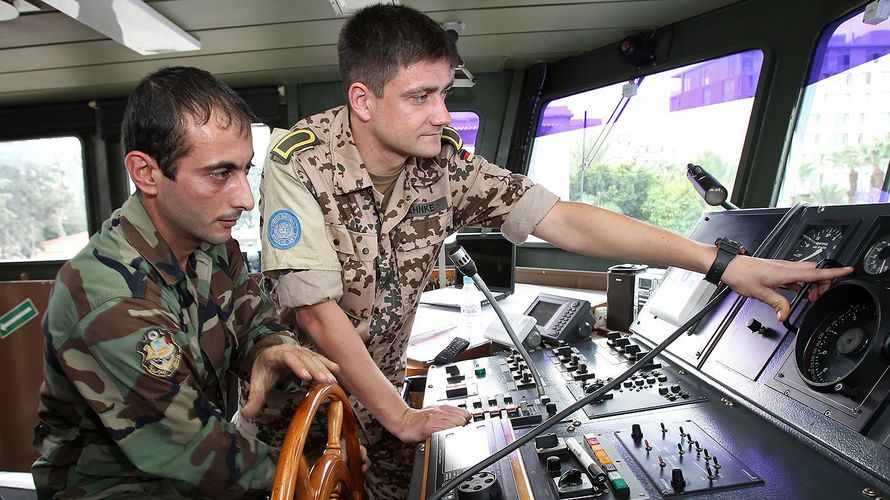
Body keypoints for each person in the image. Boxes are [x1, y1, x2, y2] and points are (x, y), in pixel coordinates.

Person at [256, 5, 853, 499]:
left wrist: (722, 263)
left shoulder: (440, 160)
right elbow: (315, 310)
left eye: (444, 93)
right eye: (420, 97)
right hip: (308, 409)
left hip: (385, 391)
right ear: (363, 100)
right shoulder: (299, 162)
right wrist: (400, 414)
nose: (442, 114)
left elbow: (560, 218)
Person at [31, 66, 343, 499]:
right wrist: (314, 473)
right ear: (146, 173)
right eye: (220, 174)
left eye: (244, 171)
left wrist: (271, 349)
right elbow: (194, 446)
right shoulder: (109, 297)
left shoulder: (211, 243)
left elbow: (254, 321)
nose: (245, 198)